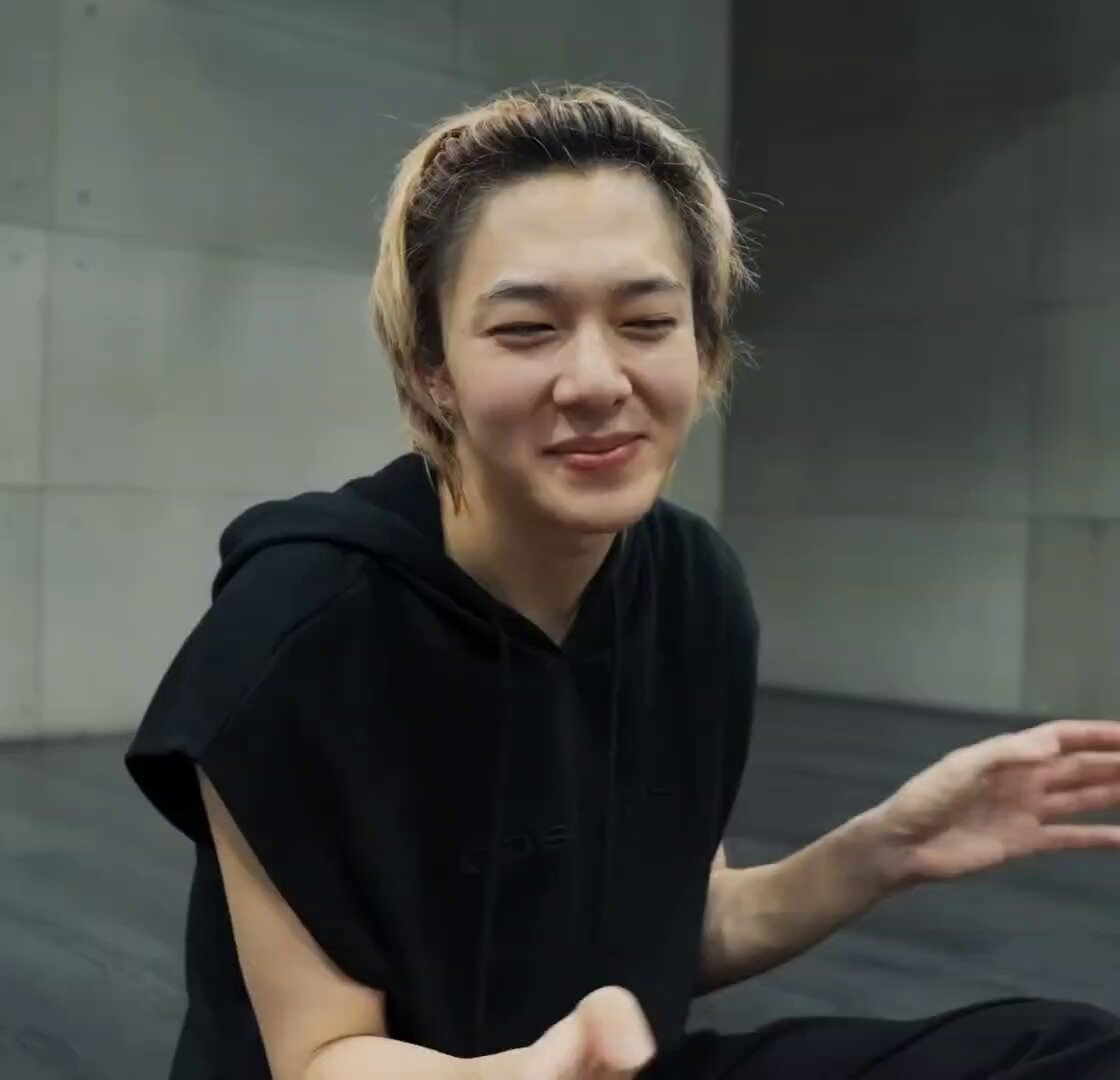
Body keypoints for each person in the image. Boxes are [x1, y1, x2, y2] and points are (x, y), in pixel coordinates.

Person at [125, 85, 1120, 1080]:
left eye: (647, 321)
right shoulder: (295, 633)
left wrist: (887, 847)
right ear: (433, 368)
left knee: (1068, 1054)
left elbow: (682, 930)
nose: (598, 381)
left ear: (705, 347)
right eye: (527, 329)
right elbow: (321, 1056)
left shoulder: (693, 590)